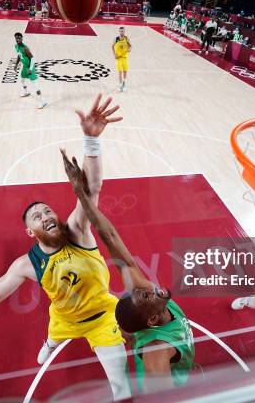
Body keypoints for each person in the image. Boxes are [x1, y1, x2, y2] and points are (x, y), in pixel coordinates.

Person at [0, 95, 132, 401]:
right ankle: (50, 344)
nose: (47, 216)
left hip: (103, 317)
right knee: (53, 339)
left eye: (48, 211)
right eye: (37, 217)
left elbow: (91, 190)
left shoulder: (78, 231)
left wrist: (91, 141)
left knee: (123, 390)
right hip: (64, 319)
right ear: (31, 231)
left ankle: (63, 345)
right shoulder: (26, 264)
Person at [60, 150, 195, 394]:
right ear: (152, 320)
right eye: (146, 296)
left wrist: (80, 193)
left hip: (153, 340)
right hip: (171, 385)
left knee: (130, 332)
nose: (148, 288)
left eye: (143, 291)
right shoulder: (156, 352)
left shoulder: (151, 301)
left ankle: (135, 339)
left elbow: (110, 236)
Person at [14, 32, 47, 109]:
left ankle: (43, 102)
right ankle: (26, 92)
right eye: (16, 38)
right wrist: (16, 64)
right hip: (25, 67)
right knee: (22, 81)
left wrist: (30, 69)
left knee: (35, 86)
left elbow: (32, 58)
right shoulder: (16, 46)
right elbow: (19, 55)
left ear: (22, 38)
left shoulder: (25, 48)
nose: (18, 39)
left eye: (19, 38)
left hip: (30, 67)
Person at [113, 27, 131, 92]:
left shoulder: (126, 38)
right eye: (120, 31)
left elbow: (130, 45)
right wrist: (114, 54)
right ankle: (120, 86)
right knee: (120, 72)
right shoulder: (116, 39)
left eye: (123, 31)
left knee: (125, 72)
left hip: (125, 58)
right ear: (119, 31)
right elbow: (112, 46)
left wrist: (129, 49)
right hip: (119, 58)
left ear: (124, 31)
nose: (121, 32)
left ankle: (124, 85)